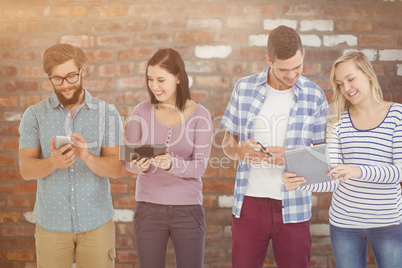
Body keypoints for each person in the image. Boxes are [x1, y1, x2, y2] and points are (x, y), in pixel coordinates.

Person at [220, 25, 329, 268]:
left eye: (297, 67)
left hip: (295, 206)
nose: (292, 75)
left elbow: (324, 158)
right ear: (269, 60)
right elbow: (228, 141)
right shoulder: (244, 88)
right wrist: (240, 151)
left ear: (304, 54)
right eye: (284, 69)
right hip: (249, 203)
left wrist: (292, 157)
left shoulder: (315, 96)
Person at [283, 51, 402, 268]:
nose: (346, 88)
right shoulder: (338, 121)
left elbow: (399, 172)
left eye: (350, 79)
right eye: (340, 83)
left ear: (367, 74)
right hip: (344, 224)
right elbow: (336, 176)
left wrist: (358, 170)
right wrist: (299, 184)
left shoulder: (397, 116)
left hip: (387, 223)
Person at [18, 43, 124, 268]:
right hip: (51, 225)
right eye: (57, 79)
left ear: (83, 70)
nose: (65, 85)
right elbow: (26, 169)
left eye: (71, 76)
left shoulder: (108, 113)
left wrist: (87, 157)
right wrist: (52, 163)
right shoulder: (34, 115)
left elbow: (115, 168)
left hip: (96, 224)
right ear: (49, 77)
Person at [123, 48, 213, 268]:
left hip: (188, 210)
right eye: (150, 79)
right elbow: (127, 160)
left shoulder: (201, 116)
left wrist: (173, 163)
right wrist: (140, 167)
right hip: (149, 210)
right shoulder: (140, 112)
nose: (154, 86)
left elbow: (200, 167)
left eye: (161, 79)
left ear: (179, 77)